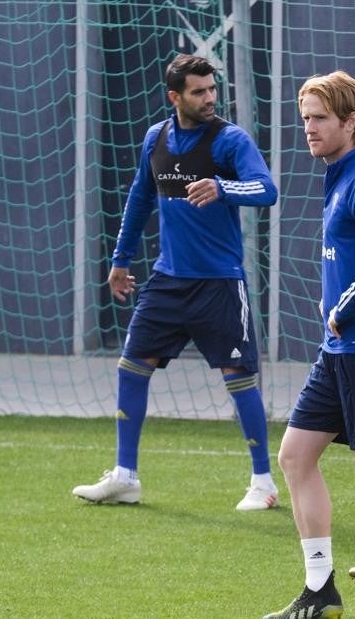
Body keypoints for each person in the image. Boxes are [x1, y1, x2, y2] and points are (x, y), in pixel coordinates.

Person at [72, 54, 279, 510]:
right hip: (168, 280)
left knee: (239, 378)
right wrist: (121, 260)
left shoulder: (230, 140)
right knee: (131, 365)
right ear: (175, 97)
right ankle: (125, 476)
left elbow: (267, 189)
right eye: (198, 91)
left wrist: (222, 187)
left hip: (219, 283)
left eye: (212, 89)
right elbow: (140, 197)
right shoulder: (157, 138)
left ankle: (263, 482)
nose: (209, 98)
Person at [264, 71, 355, 619]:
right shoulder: (338, 173)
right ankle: (320, 589)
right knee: (296, 455)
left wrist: (342, 309)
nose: (308, 127)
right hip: (341, 350)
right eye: (304, 117)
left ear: (351, 121)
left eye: (320, 117)